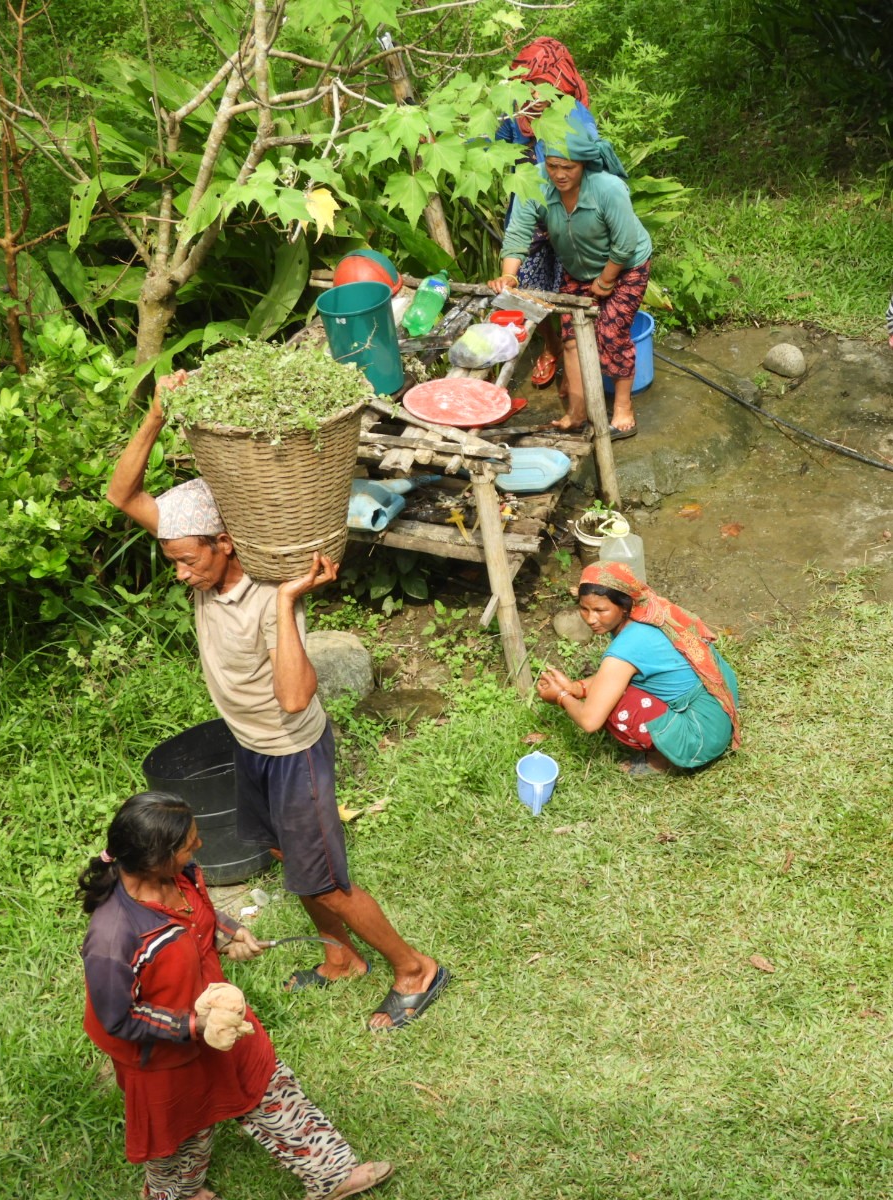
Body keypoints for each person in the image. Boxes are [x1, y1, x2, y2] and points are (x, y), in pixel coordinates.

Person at [106, 375, 449, 1031]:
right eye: (173, 560)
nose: (179, 573)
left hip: (295, 754)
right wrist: (155, 412)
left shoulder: (267, 595)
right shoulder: (195, 547)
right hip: (252, 747)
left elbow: (296, 697)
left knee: (325, 880)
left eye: (184, 561)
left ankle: (414, 969)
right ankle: (340, 960)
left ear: (222, 545)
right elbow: (123, 493)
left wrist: (290, 602)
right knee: (293, 862)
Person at [78, 791, 393, 1200]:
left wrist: (229, 934)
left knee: (269, 1085)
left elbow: (200, 916)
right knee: (185, 1131)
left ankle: (331, 1174)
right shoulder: (112, 937)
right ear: (155, 858)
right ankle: (177, 1194)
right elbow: (118, 1018)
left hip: (220, 1017)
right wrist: (196, 1025)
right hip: (161, 1056)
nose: (199, 846)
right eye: (189, 842)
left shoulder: (182, 874)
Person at [489, 116, 652, 438]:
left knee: (610, 333)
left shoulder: (608, 188)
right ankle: (576, 413)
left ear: (584, 164)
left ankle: (622, 407)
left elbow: (625, 244)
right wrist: (509, 276)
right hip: (578, 268)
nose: (560, 175)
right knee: (572, 340)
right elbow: (519, 232)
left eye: (569, 167)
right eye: (552, 166)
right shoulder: (534, 184)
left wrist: (606, 282)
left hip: (625, 266)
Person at [537, 563, 740, 775]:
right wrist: (576, 688)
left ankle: (659, 761)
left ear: (624, 606)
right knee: (612, 690)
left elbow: (589, 721)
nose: (590, 619)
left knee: (615, 704)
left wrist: (561, 696)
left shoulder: (628, 646)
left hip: (700, 738)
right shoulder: (649, 612)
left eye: (600, 610)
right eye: (584, 608)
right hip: (718, 707)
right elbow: (617, 674)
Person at [495, 37, 599, 390]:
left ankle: (576, 351)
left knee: (574, 283)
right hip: (529, 207)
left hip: (569, 211)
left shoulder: (577, 118)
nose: (532, 97)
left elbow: (592, 170)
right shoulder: (513, 110)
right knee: (528, 287)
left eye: (539, 87)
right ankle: (552, 346)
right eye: (526, 87)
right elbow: (496, 149)